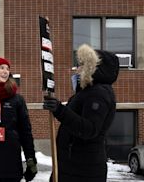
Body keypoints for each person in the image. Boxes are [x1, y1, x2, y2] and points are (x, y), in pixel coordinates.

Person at [43, 44, 119, 182]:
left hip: (83, 171)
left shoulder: (98, 94)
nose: (77, 69)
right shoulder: (87, 92)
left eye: (81, 65)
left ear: (94, 68)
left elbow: (89, 129)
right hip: (72, 166)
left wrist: (59, 110)